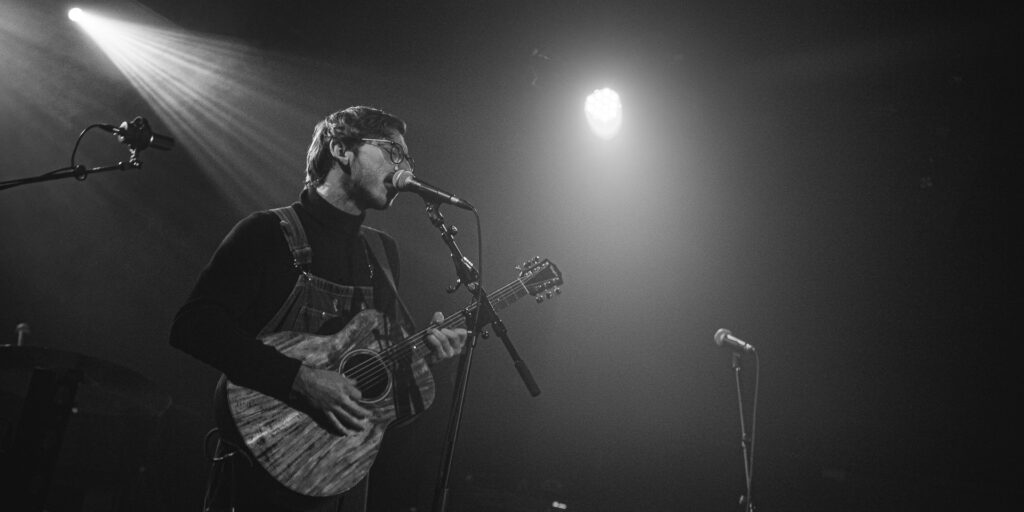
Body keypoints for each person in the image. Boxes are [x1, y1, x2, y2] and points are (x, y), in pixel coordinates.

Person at [170, 106, 467, 512]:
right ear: (342, 149)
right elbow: (194, 326)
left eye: (408, 159)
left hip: (340, 479)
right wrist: (299, 379)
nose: (406, 170)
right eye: (394, 153)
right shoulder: (266, 232)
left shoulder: (381, 253)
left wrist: (432, 361)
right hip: (259, 477)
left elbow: (380, 398)